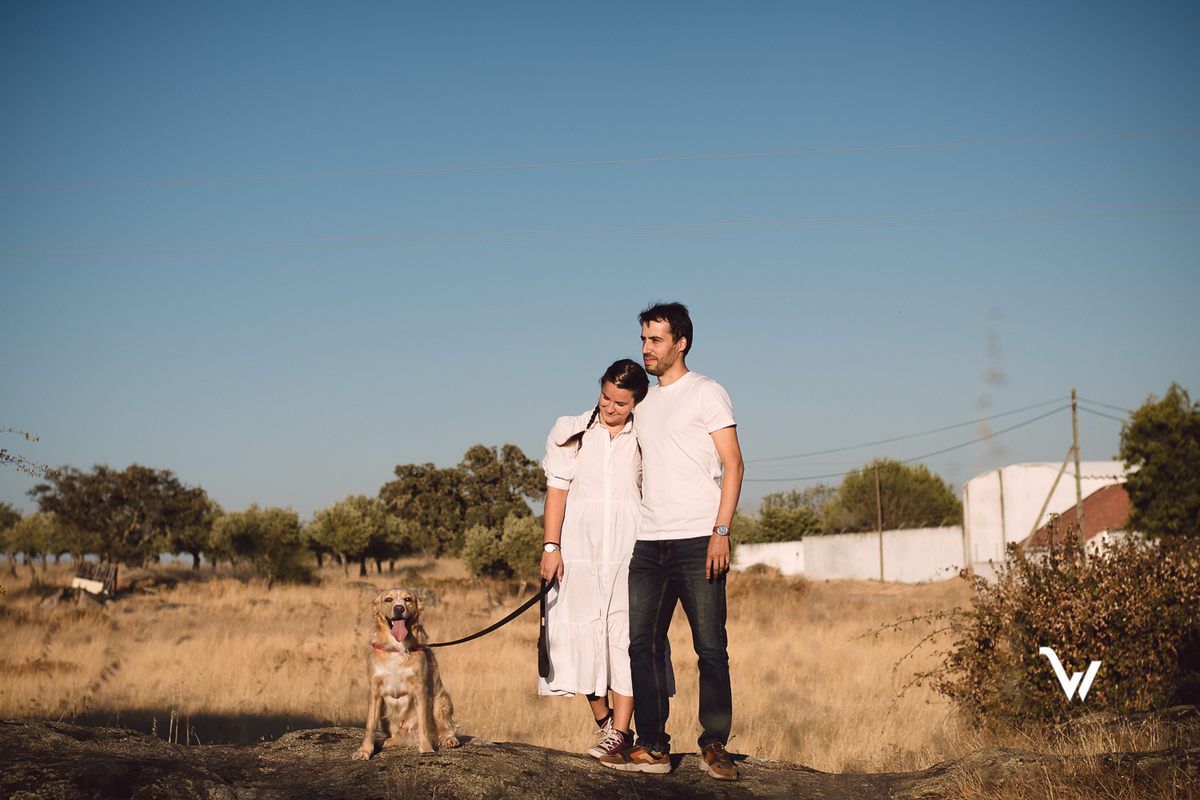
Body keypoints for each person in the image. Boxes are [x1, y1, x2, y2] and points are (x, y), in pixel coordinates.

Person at [599, 301, 744, 781]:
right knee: (641, 644)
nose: (647, 349)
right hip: (648, 543)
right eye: (644, 339)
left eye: (656, 340)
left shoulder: (707, 392)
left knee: (710, 648)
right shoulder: (644, 402)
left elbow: (734, 465)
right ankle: (655, 746)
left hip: (698, 539)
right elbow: (608, 420)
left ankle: (714, 743)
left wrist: (720, 532)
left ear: (680, 342)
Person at [539, 358, 652, 759]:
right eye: (605, 396)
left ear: (637, 402)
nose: (609, 407)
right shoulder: (570, 431)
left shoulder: (646, 435)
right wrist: (551, 546)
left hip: (630, 551)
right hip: (579, 552)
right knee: (581, 631)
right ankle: (605, 721)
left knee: (624, 638)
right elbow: (557, 491)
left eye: (620, 403)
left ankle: (619, 733)